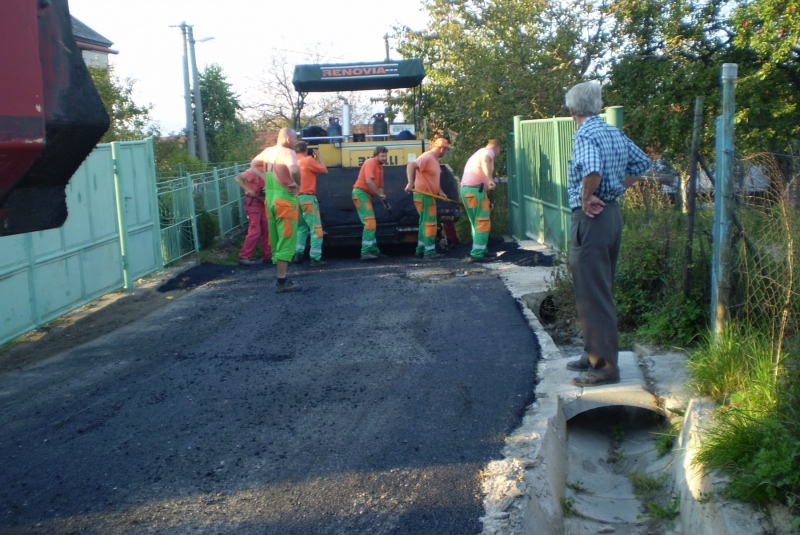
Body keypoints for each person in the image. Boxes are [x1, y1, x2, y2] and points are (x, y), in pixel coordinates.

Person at [563, 81, 650, 387]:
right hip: (611, 214)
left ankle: (603, 367)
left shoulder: (585, 133)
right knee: (600, 287)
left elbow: (591, 170)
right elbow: (642, 163)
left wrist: (589, 197)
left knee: (592, 292)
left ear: (572, 109)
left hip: (592, 217)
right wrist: (614, 191)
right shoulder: (612, 131)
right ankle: (592, 354)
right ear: (596, 105)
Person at [250, 128, 303, 293]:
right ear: (287, 138)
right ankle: (281, 281)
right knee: (287, 239)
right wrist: (297, 184)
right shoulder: (288, 152)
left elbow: (253, 164)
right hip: (285, 200)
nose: (296, 141)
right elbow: (294, 169)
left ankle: (281, 277)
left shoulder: (268, 151)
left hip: (270, 200)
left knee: (276, 238)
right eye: (295, 138)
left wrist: (265, 177)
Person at [405, 137, 451, 260]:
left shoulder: (434, 160)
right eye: (446, 150)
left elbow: (433, 178)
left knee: (423, 223)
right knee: (430, 223)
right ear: (442, 148)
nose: (445, 152)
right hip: (425, 195)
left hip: (427, 195)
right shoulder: (427, 157)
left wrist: (440, 191)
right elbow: (411, 165)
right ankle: (429, 252)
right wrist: (410, 183)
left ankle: (420, 249)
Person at [460, 139, 502, 262]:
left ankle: (482, 250)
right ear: (498, 149)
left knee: (476, 223)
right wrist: (490, 179)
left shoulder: (479, 151)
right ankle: (477, 254)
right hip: (475, 190)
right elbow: (485, 160)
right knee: (483, 222)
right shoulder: (489, 152)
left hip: (467, 191)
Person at [352, 146, 391, 261]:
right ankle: (365, 252)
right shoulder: (370, 162)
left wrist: (385, 203)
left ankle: (374, 251)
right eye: (382, 156)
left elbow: (380, 187)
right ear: (376, 155)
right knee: (370, 223)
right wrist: (379, 195)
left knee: (371, 223)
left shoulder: (380, 168)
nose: (385, 158)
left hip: (364, 195)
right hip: (360, 194)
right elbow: (368, 181)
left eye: (385, 156)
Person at [293, 141, 328, 267]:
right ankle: (315, 258)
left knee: (301, 228)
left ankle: (298, 254)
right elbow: (324, 170)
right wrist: (319, 156)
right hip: (308, 198)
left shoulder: (291, 162)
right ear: (306, 150)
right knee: (316, 229)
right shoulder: (308, 160)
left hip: (295, 199)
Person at [233, 167, 272, 266]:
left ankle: (267, 256)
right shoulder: (253, 171)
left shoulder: (269, 172)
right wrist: (248, 190)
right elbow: (237, 178)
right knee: (255, 230)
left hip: (263, 203)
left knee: (266, 229)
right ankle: (243, 256)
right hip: (253, 203)